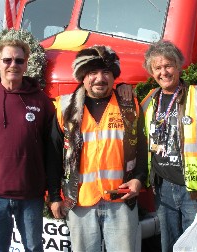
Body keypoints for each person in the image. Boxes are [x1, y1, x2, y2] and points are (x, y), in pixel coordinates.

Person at [46, 45, 147, 252]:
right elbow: (53, 155)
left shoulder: (130, 105)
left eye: (106, 72)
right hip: (80, 202)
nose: (100, 78)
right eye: (92, 72)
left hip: (121, 200)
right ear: (83, 77)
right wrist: (55, 197)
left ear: (114, 76)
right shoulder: (65, 108)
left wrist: (138, 178)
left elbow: (142, 149)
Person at [0, 39, 55, 252]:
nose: (12, 64)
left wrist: (53, 194)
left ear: (26, 65)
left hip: (31, 195)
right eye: (7, 60)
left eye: (18, 60)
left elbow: (52, 152)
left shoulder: (42, 101)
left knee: (34, 248)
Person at [138, 40, 197, 252]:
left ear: (179, 66)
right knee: (169, 245)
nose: (164, 72)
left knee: (196, 246)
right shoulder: (148, 102)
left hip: (192, 191)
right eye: (157, 67)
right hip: (162, 188)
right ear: (151, 72)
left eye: (168, 65)